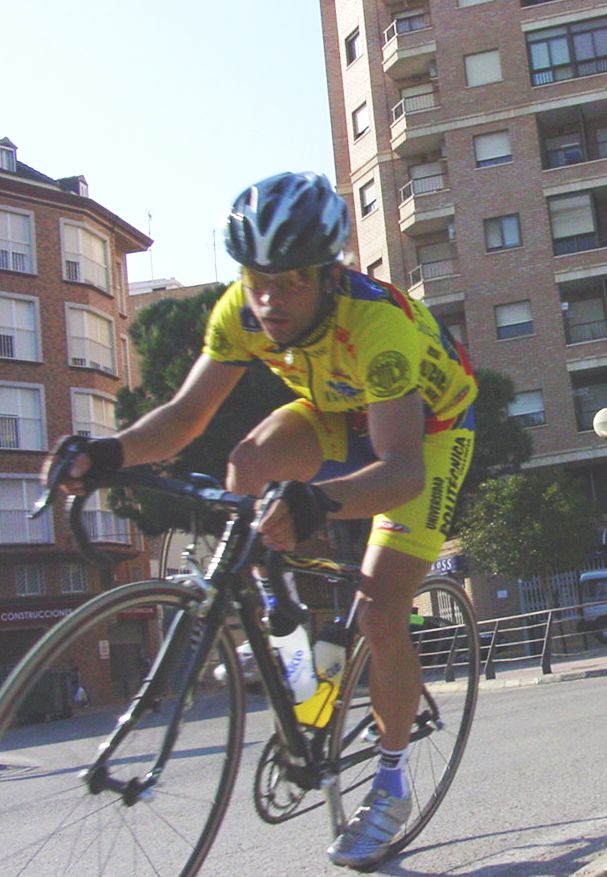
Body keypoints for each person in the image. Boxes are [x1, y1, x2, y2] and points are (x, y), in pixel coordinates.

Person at [43, 172, 477, 870]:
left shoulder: (379, 327)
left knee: (378, 610)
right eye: (257, 278)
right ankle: (282, 619)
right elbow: (185, 417)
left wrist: (317, 502)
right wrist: (108, 451)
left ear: (328, 275)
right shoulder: (239, 312)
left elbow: (400, 471)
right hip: (336, 412)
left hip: (425, 433)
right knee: (247, 463)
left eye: (292, 281)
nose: (270, 299)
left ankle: (391, 783)